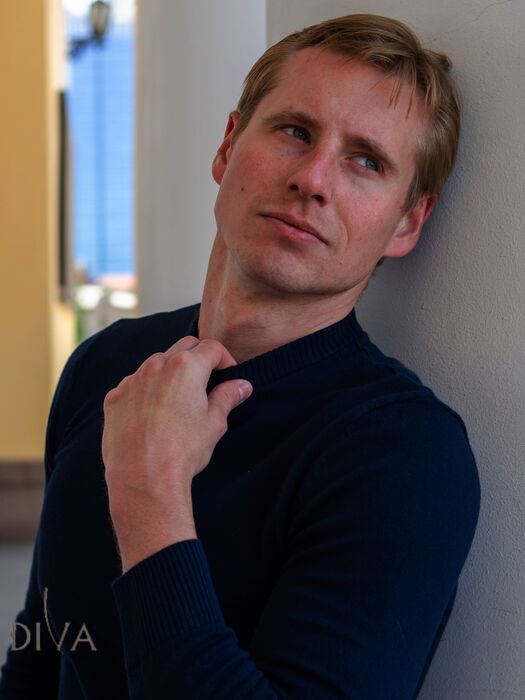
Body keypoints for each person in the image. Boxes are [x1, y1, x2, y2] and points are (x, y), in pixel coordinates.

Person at [0, 13, 480, 700]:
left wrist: (148, 495)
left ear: (407, 222)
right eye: (295, 131)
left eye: (366, 161)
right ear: (228, 147)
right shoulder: (107, 367)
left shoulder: (405, 453)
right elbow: (42, 654)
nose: (312, 178)